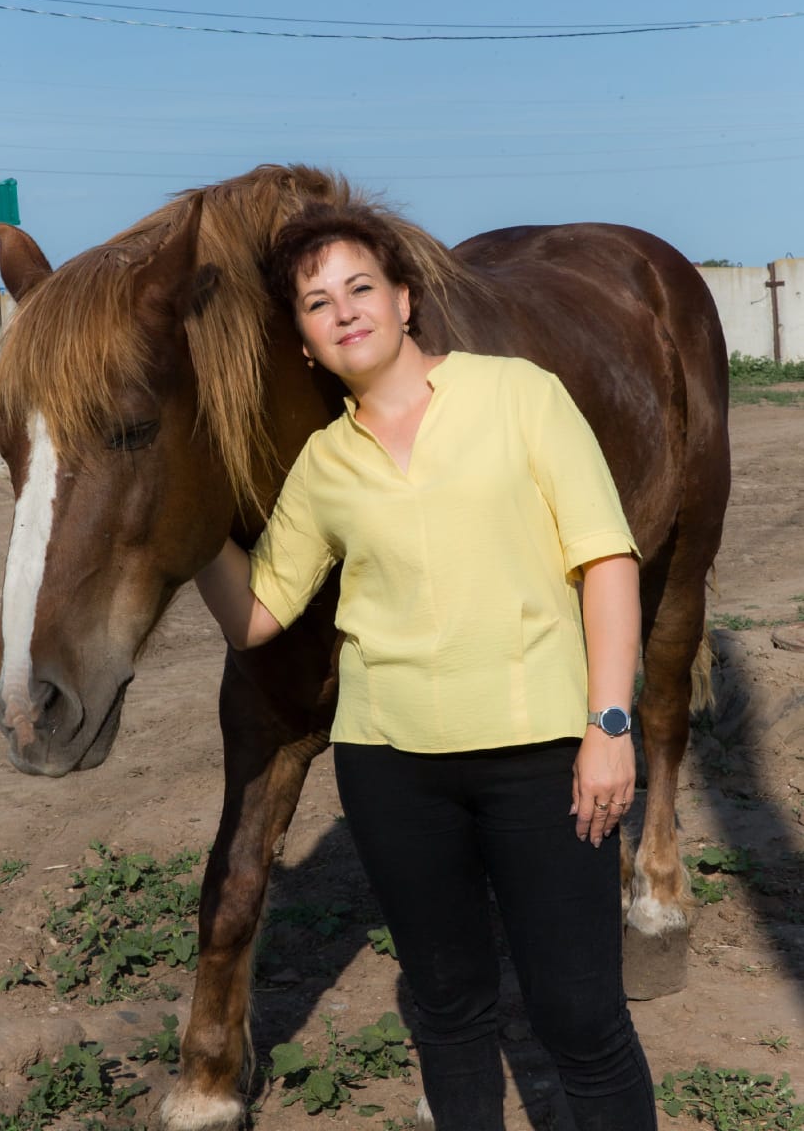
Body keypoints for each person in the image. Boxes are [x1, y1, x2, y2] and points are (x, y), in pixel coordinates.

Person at [195, 201, 658, 1131]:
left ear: (404, 300)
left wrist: (609, 724)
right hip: (391, 769)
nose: (343, 310)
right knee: (447, 1015)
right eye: (316, 303)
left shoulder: (518, 393)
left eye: (359, 287)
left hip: (542, 757)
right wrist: (194, 522)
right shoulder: (324, 464)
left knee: (580, 1017)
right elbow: (256, 615)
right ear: (304, 344)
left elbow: (605, 559)